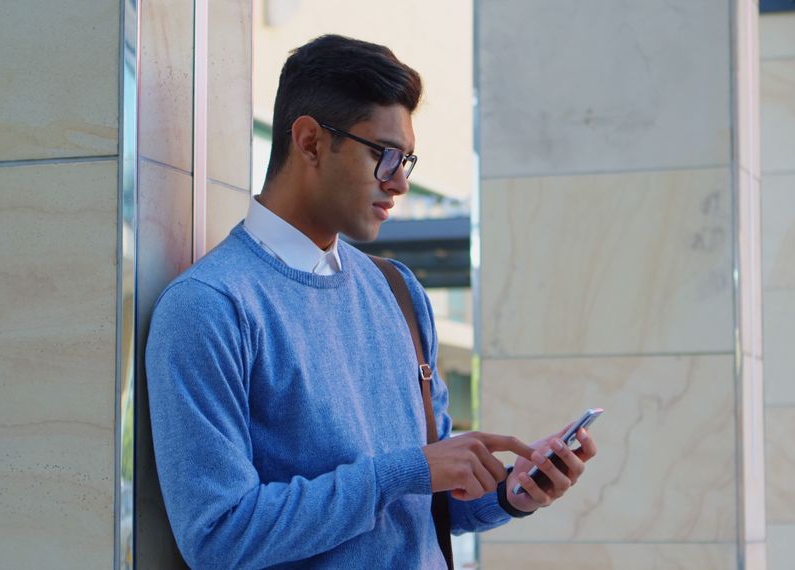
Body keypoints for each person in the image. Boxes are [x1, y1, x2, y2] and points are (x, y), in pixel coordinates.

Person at [145, 34, 597, 569]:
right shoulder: (209, 307)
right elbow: (218, 538)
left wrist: (509, 493)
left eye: (406, 159)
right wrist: (403, 471)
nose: (400, 182)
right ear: (310, 142)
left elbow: (422, 502)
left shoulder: (397, 290)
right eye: (383, 156)